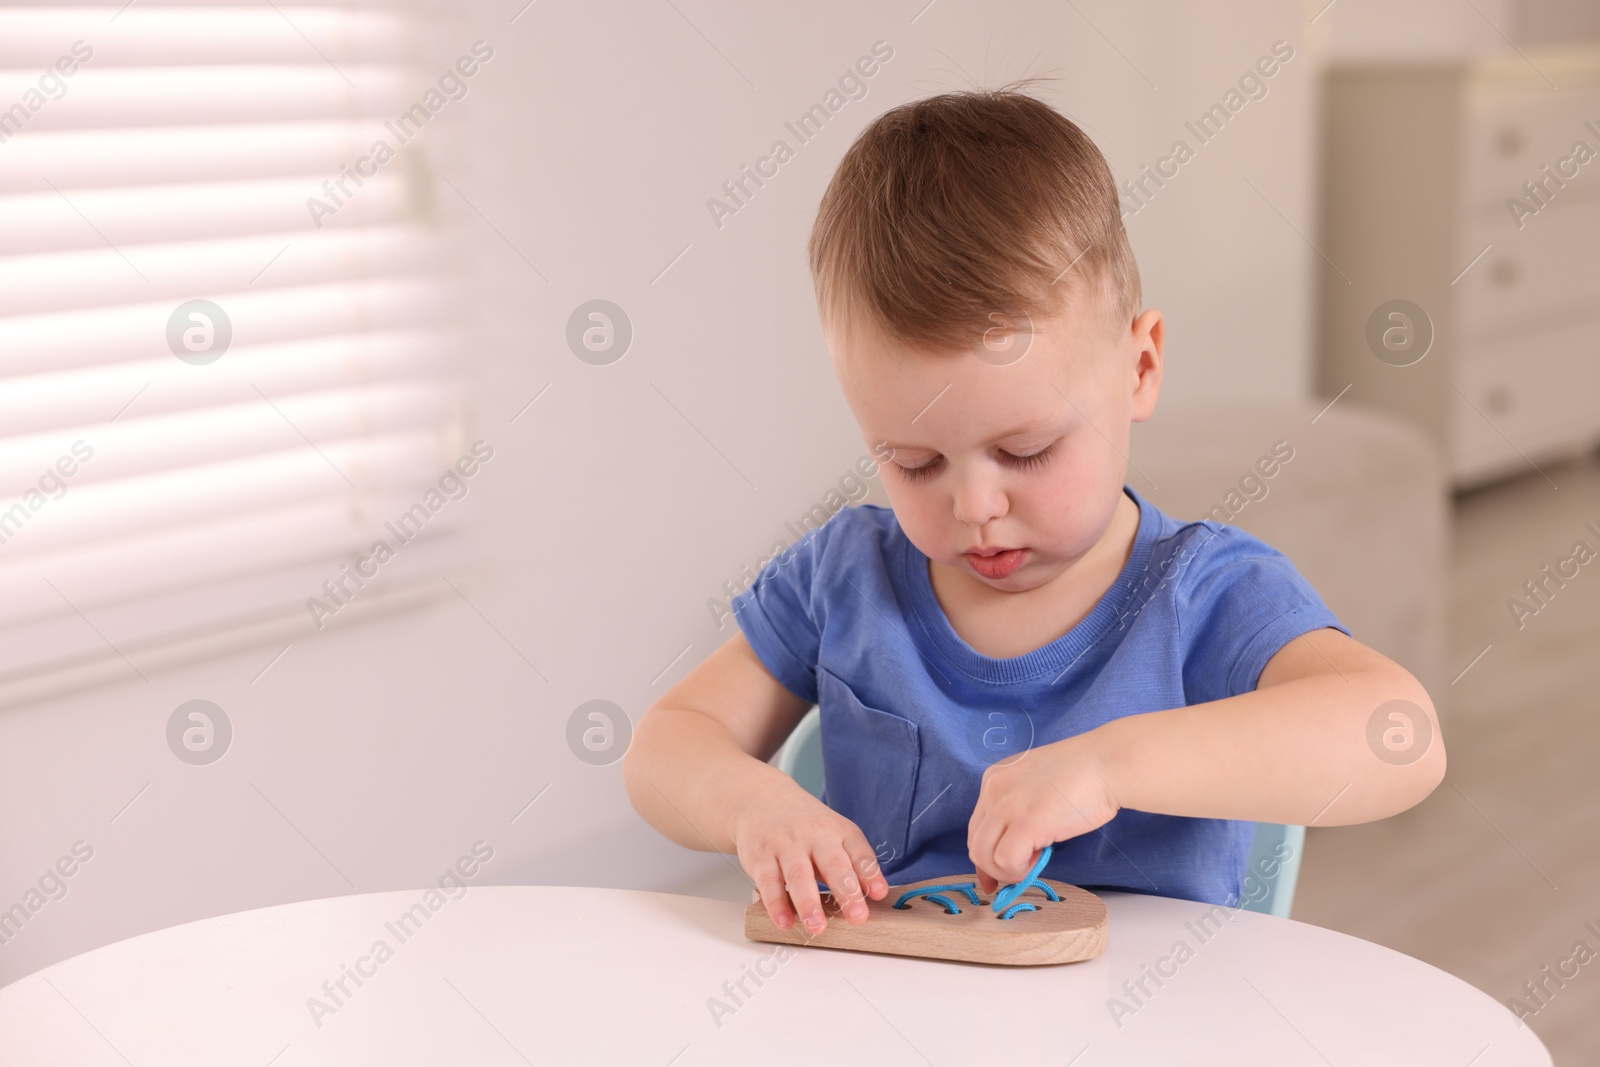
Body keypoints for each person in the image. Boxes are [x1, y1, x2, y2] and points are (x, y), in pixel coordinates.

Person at [623, 84, 1444, 938]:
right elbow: (667, 742)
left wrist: (1111, 765)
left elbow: (1403, 736)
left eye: (1027, 452)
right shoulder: (845, 578)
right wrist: (751, 804)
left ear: (1140, 367)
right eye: (913, 462)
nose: (976, 505)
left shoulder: (1205, 593)